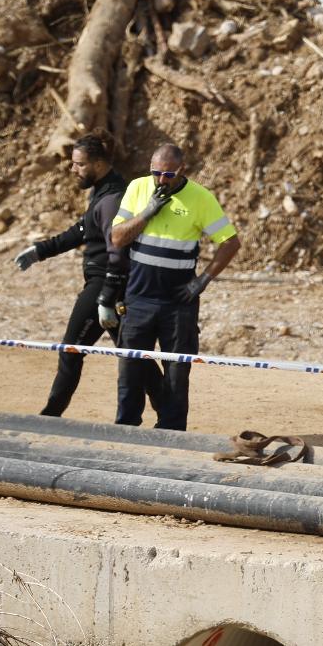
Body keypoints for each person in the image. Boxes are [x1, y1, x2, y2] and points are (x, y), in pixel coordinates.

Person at [107, 141, 241, 430]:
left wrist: (201, 282)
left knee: (177, 372)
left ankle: (171, 431)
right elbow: (117, 238)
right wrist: (146, 213)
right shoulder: (138, 188)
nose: (161, 180)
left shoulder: (201, 198)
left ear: (182, 170)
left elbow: (230, 243)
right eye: (156, 173)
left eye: (168, 175)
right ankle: (126, 427)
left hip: (178, 303)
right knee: (130, 367)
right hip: (139, 297)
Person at [13, 133, 128, 417]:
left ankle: (51, 415)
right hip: (107, 284)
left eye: (79, 164)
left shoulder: (112, 198)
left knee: (72, 350)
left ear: (99, 164)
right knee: (133, 356)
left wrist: (106, 297)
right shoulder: (102, 190)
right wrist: (40, 250)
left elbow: (118, 253)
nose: (72, 169)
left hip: (105, 282)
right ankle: (166, 412)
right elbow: (81, 230)